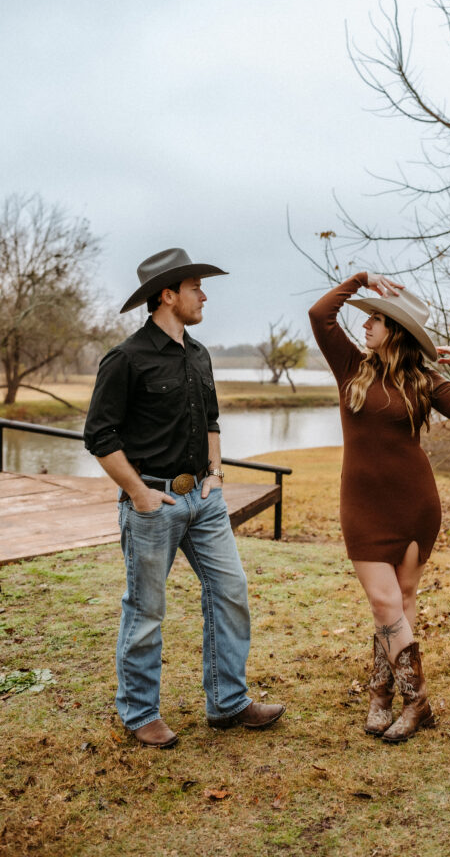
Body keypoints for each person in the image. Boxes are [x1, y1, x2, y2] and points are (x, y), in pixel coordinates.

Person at [84, 247, 285, 748]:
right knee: (146, 610)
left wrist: (215, 474)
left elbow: (211, 420)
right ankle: (138, 713)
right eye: (196, 287)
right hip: (152, 502)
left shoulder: (199, 354)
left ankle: (228, 702)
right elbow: (100, 436)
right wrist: (138, 494)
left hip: (204, 499)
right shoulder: (126, 358)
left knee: (231, 591)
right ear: (168, 295)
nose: (205, 295)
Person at [309, 272, 450, 743]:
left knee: (401, 606)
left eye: (376, 320)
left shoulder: (423, 381)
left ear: (398, 332)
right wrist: (361, 280)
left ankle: (380, 696)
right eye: (368, 317)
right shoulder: (350, 365)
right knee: (385, 603)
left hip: (415, 504)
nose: (366, 325)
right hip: (363, 507)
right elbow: (320, 314)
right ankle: (418, 702)